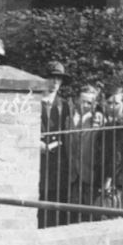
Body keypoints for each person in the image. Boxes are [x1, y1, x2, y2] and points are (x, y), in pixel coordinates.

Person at [39, 61, 71, 225]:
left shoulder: (65, 105)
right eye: (51, 78)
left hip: (58, 163)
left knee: (56, 204)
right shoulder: (31, 102)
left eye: (59, 80)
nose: (55, 83)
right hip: (37, 162)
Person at [98, 87, 123, 212]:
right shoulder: (111, 123)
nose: (111, 106)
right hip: (115, 174)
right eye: (109, 103)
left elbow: (121, 154)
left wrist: (108, 179)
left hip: (121, 178)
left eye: (116, 103)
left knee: (115, 215)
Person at [67, 85, 100, 211]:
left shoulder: (98, 120)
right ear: (76, 100)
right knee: (72, 214)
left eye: (89, 102)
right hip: (72, 176)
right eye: (82, 101)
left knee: (90, 214)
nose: (85, 105)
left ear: (94, 104)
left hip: (90, 176)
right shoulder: (67, 119)